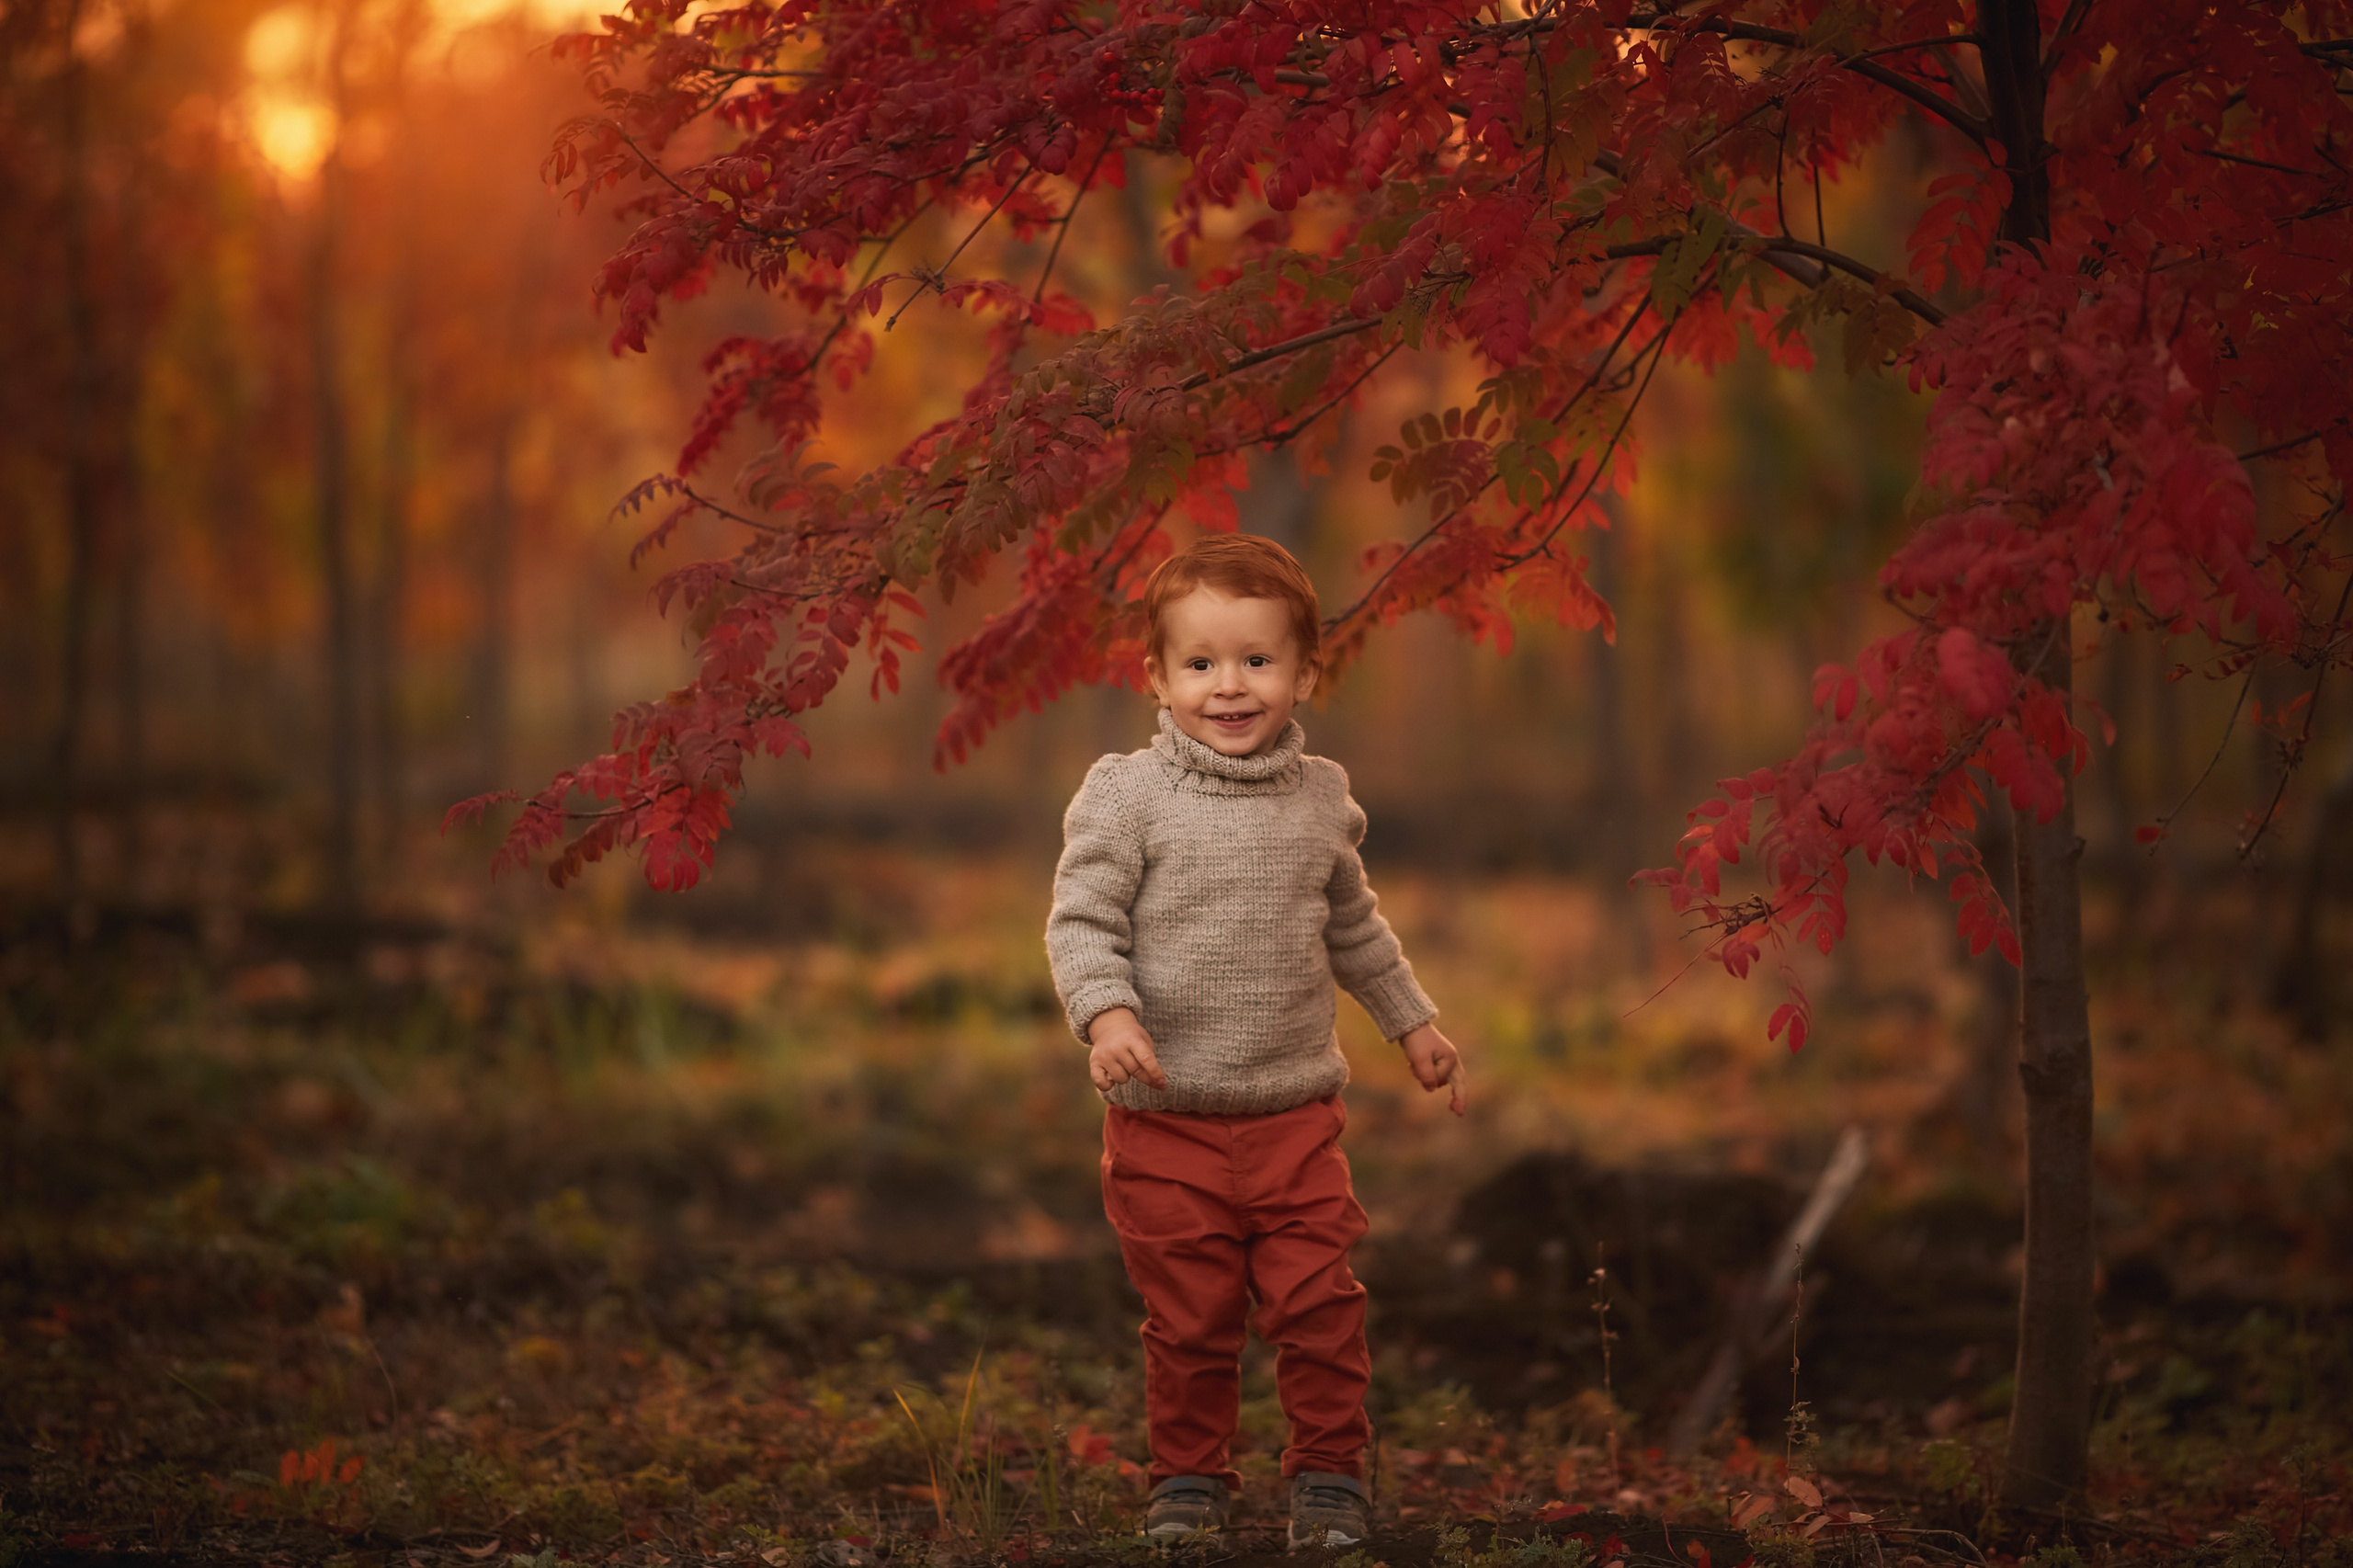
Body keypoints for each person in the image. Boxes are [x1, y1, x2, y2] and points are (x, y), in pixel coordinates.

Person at [1045, 532, 1467, 1550]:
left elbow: (1353, 928)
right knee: (1190, 1319)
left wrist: (1413, 1022)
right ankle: (1189, 1476)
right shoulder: (1126, 794)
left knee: (1319, 1302)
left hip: (1293, 1116)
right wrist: (1107, 1016)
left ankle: (1326, 1472)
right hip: (1164, 1122)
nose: (1227, 687)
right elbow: (1081, 920)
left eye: (1256, 660)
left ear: (1305, 671)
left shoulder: (1321, 795)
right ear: (1155, 675)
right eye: (1199, 664)